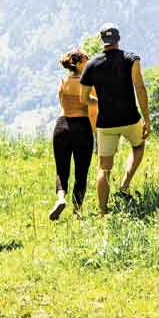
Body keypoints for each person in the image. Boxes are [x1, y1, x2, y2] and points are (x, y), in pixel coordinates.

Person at [79, 24, 151, 214]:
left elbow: (83, 98)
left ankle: (103, 212)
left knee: (104, 168)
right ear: (118, 39)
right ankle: (125, 184)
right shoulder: (131, 59)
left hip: (106, 124)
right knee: (138, 145)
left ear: (102, 41)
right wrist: (147, 120)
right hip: (130, 119)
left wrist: (100, 102)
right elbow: (140, 89)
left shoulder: (91, 64)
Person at [50, 48, 97, 219]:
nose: (89, 59)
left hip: (61, 127)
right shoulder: (88, 84)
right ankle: (77, 211)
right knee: (81, 172)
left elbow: (63, 103)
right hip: (82, 126)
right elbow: (92, 110)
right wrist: (95, 133)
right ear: (78, 63)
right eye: (86, 58)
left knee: (62, 169)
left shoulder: (63, 81)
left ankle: (61, 199)